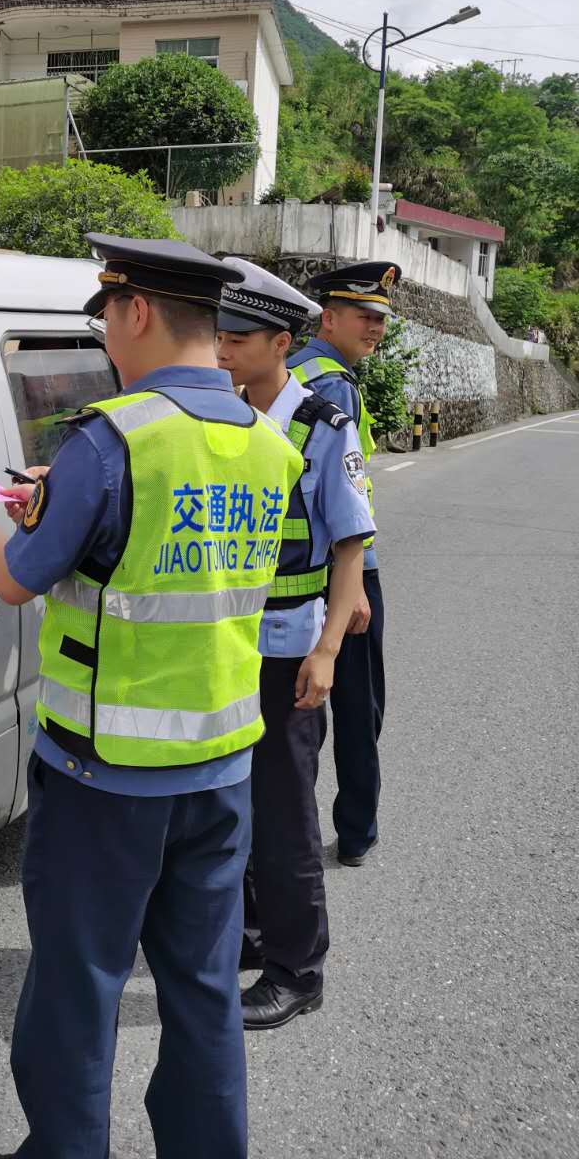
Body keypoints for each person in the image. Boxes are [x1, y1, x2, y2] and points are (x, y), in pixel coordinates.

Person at [0, 235, 304, 1159]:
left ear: (136, 311)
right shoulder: (268, 441)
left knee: (80, 983)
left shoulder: (114, 436)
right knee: (204, 986)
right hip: (221, 769)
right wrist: (58, 504)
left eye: (106, 315)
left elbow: (18, 579)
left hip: (106, 776)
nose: (105, 334)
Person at [215, 260, 374, 1030]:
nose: (222, 349)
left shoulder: (321, 425)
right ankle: (252, 937)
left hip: (288, 645)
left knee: (283, 815)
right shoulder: (224, 415)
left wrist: (328, 652)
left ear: (282, 342)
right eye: (218, 334)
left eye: (238, 338)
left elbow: (350, 550)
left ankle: (297, 968)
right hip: (227, 646)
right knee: (236, 802)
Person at [286, 261, 402, 867]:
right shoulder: (331, 383)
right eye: (364, 315)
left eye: (381, 317)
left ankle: (290, 826)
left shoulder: (298, 369)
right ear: (327, 318)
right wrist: (348, 585)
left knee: (300, 704)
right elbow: (327, 489)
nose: (375, 326)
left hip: (300, 566)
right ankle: (355, 829)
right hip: (344, 569)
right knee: (358, 704)